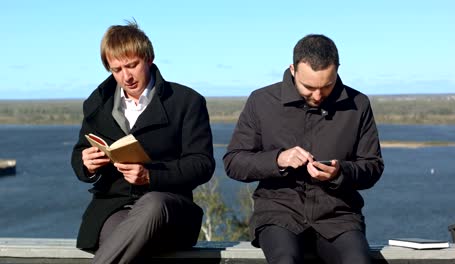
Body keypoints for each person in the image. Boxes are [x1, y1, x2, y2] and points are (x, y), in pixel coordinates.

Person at [223, 34, 384, 264]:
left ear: (337, 70)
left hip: (338, 216)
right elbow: (233, 162)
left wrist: (341, 173)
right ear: (292, 70)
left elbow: (373, 166)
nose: (318, 95)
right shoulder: (261, 101)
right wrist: (278, 159)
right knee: (285, 261)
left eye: (327, 86)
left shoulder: (359, 105)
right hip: (279, 214)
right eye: (308, 87)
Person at [71, 20, 215, 263]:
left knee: (151, 204)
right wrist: (87, 163)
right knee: (120, 239)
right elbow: (79, 155)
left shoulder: (186, 102)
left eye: (132, 65)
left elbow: (202, 164)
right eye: (116, 70)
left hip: (170, 207)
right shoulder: (97, 104)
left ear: (149, 58)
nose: (126, 77)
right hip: (115, 208)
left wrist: (151, 176)